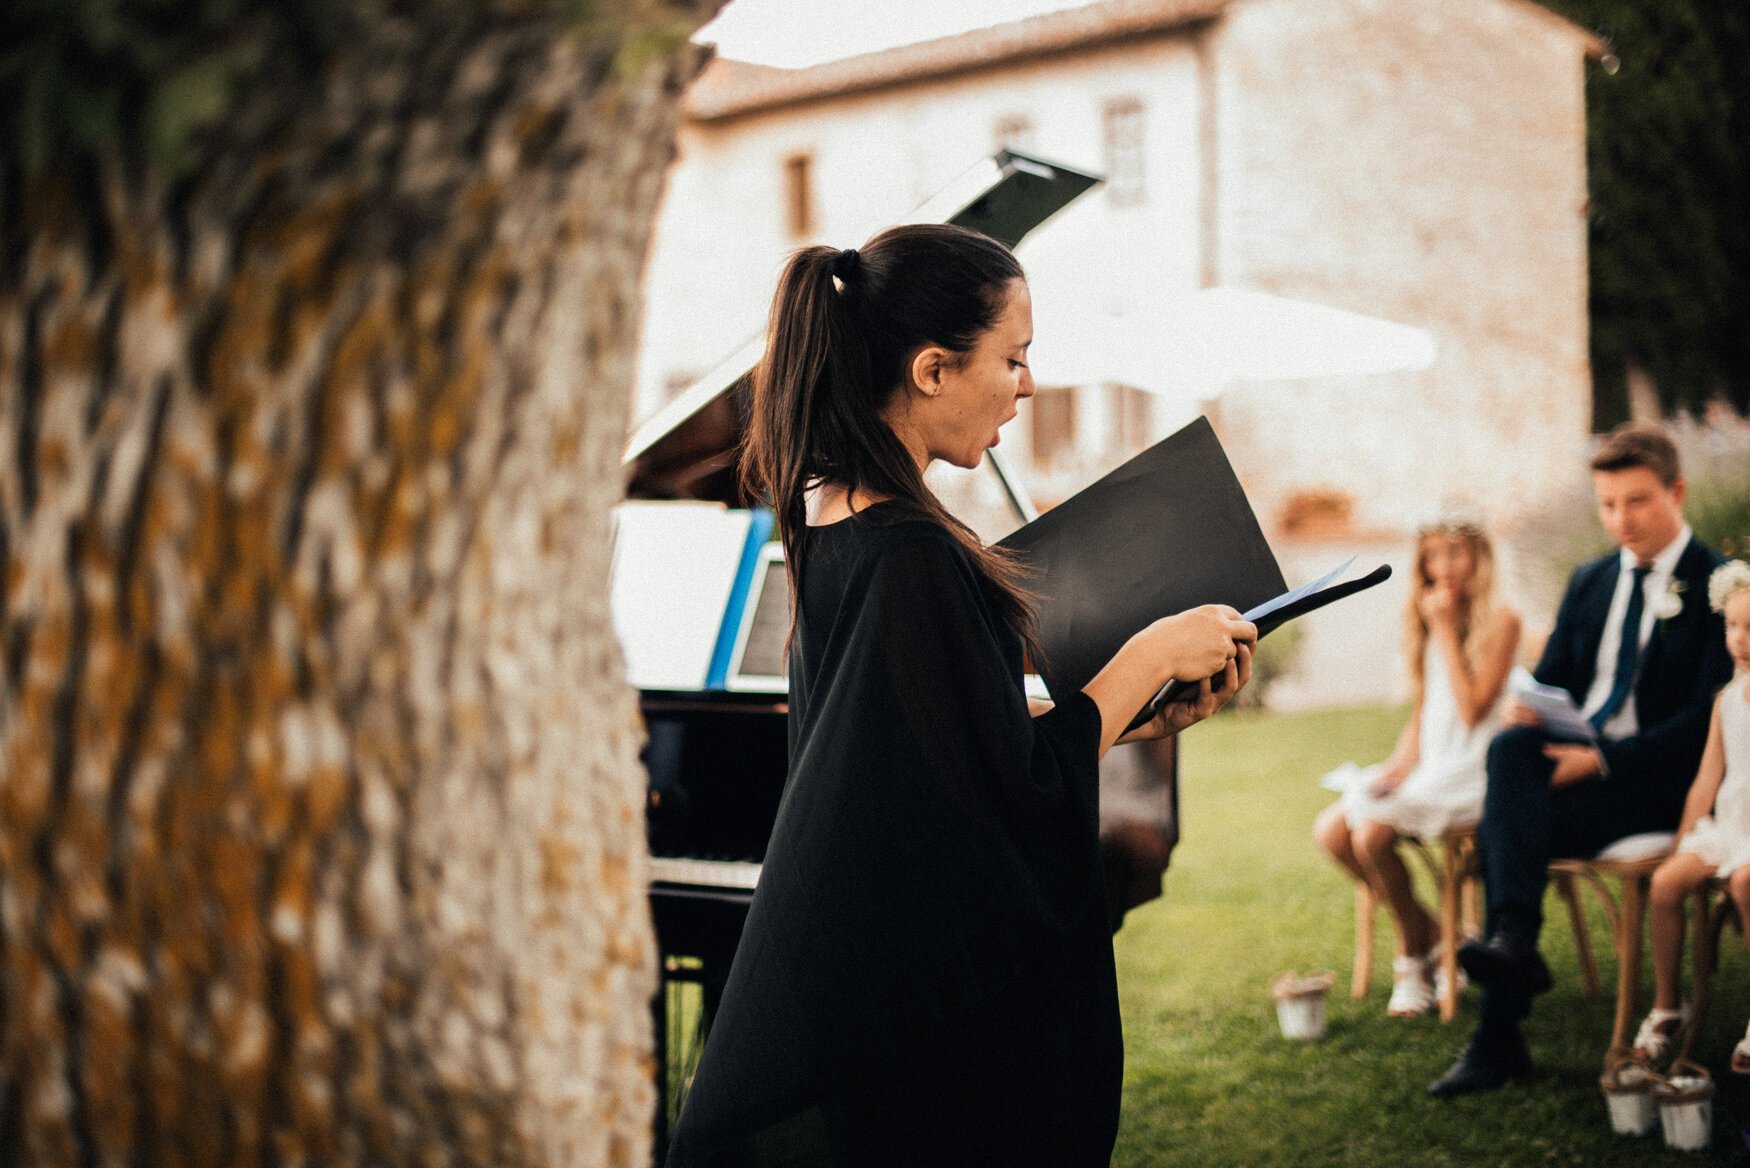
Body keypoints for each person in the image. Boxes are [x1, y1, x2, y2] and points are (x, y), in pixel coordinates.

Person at [664, 225, 1257, 1167]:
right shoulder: (912, 552)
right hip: (921, 1001)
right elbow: (1005, 796)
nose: (1027, 386)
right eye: (1013, 359)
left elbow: (923, 743)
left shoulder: (827, 511)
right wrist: (1146, 655)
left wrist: (1100, 712)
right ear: (933, 369)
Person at [1429, 422, 1734, 1097]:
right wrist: (1531, 706)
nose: (1620, 520)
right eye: (1607, 505)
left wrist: (1598, 763)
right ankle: (1513, 947)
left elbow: (1703, 723)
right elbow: (1556, 676)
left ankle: (1498, 1026)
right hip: (1572, 770)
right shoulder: (1591, 580)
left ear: (1676, 491)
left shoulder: (1717, 585)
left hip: (1660, 784)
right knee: (1511, 750)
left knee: (1502, 832)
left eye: (1637, 501)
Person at [1314, 518, 1520, 1017]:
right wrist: (1395, 768)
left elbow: (1472, 711)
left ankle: (1412, 953)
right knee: (1332, 832)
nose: (1442, 568)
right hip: (1431, 767)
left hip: (1477, 772)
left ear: (1480, 557)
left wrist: (1447, 629)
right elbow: (1425, 712)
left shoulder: (1503, 621)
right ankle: (1443, 939)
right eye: (1432, 556)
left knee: (1372, 837)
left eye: (1455, 553)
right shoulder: (1427, 616)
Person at [1632, 559, 1750, 1069]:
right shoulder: (1727, 699)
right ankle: (1667, 1004)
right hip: (1732, 826)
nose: (1741, 638)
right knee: (1664, 884)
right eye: (1733, 625)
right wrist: (1685, 838)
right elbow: (1707, 778)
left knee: (1746, 882)